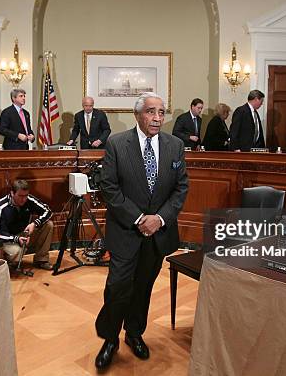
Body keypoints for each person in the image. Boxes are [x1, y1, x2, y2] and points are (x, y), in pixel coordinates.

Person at [94, 92, 188, 369]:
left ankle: (134, 334)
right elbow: (109, 188)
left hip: (158, 233)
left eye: (161, 112)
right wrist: (139, 219)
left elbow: (181, 188)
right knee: (118, 286)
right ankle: (109, 338)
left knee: (143, 287)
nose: (157, 118)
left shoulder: (176, 145)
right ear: (137, 115)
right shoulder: (116, 143)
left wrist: (159, 219)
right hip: (126, 231)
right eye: (151, 112)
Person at [0, 179, 54, 269]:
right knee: (16, 254)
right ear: (12, 193)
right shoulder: (1, 206)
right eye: (20, 196)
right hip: (8, 240)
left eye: (26, 195)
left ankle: (41, 260)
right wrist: (17, 239)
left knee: (48, 224)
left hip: (24, 235)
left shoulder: (28, 199)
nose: (24, 199)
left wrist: (35, 224)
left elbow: (48, 211)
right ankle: (9, 262)